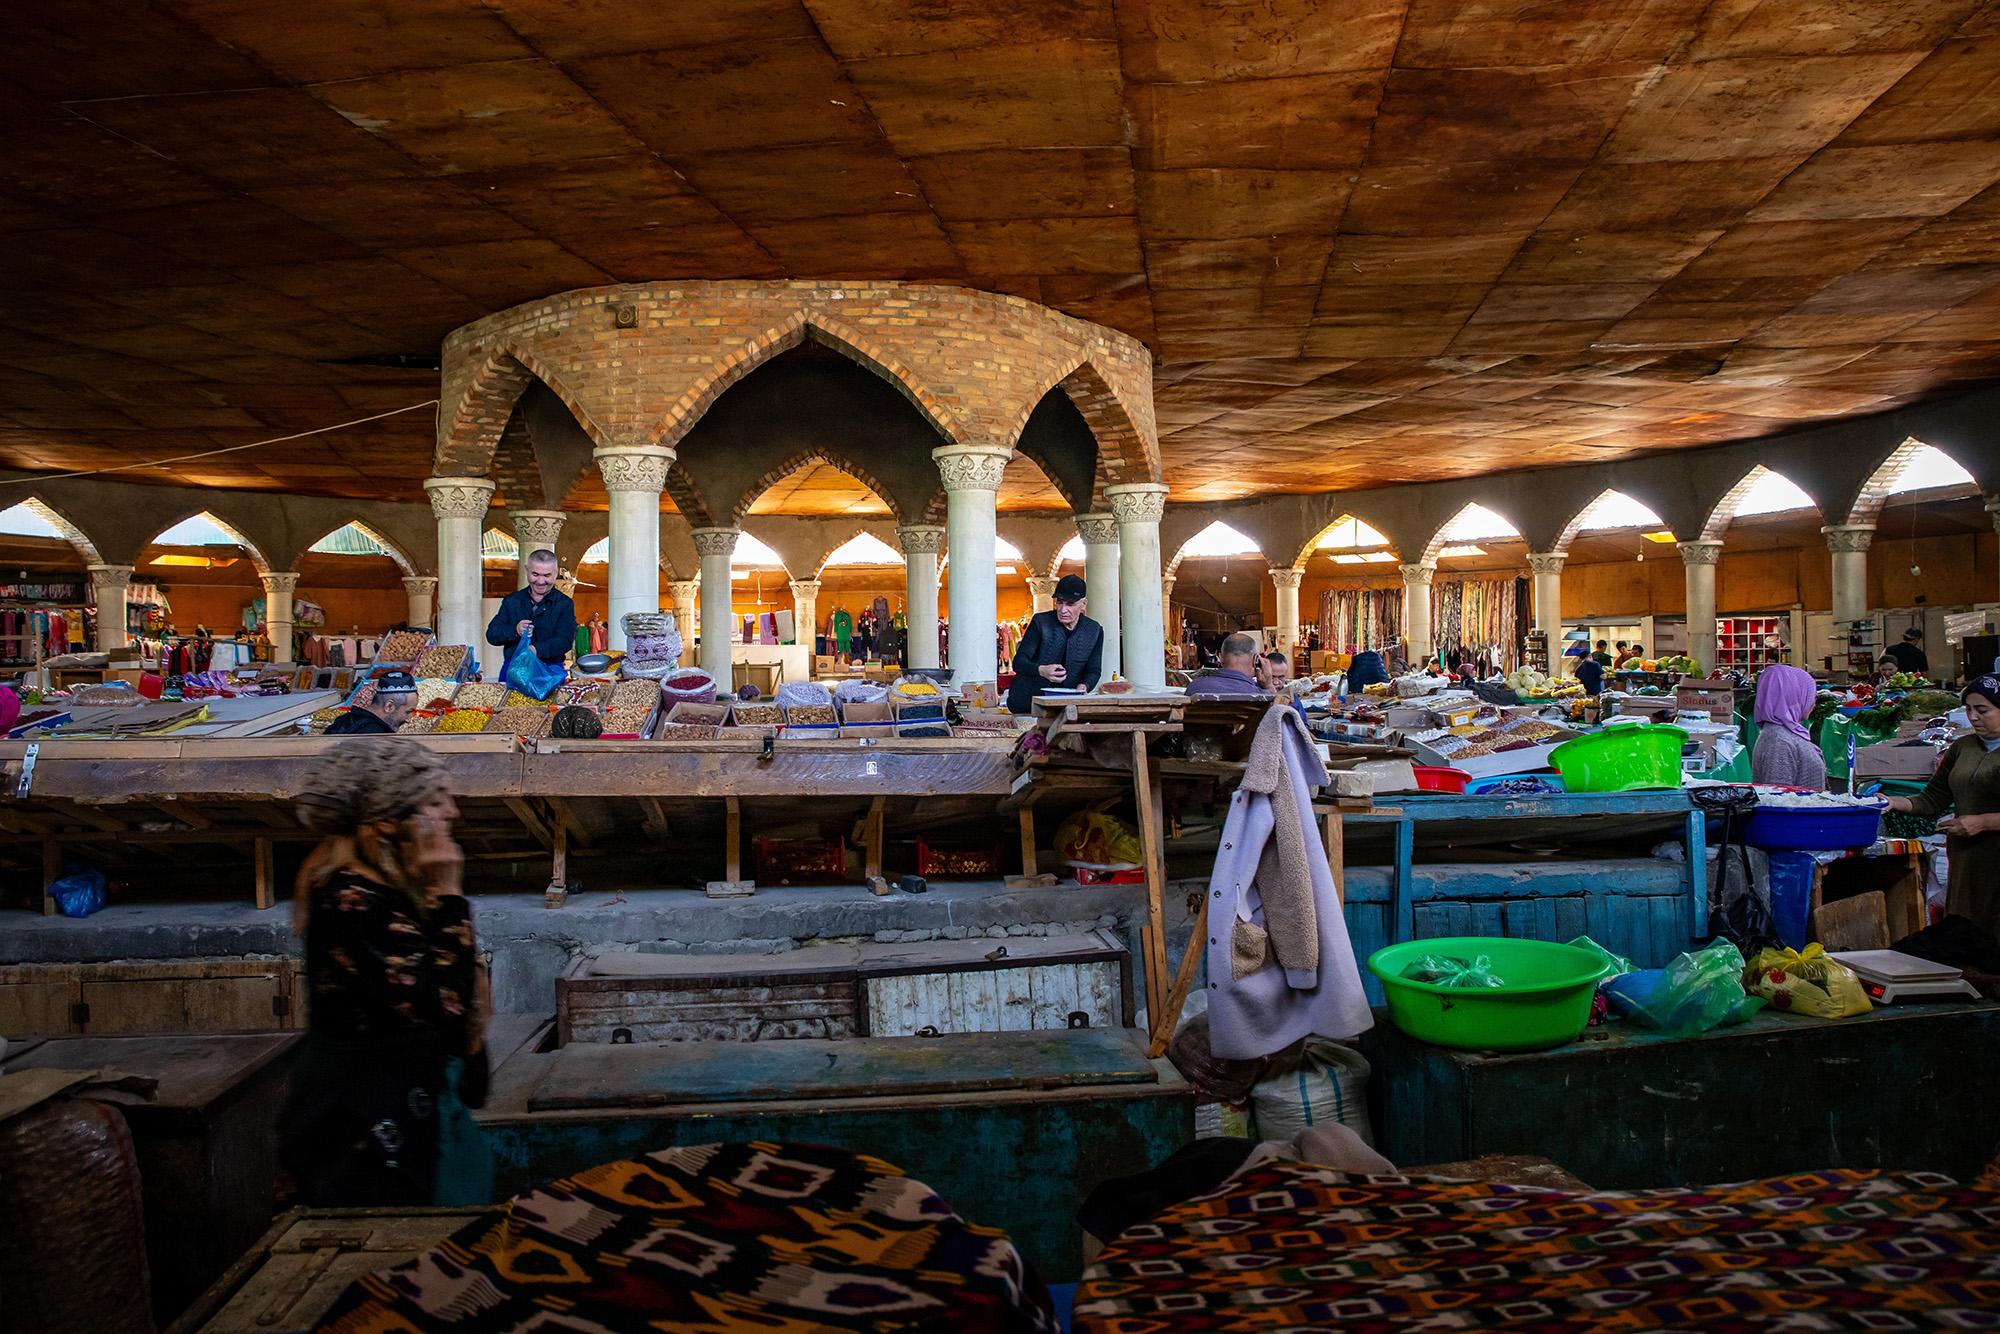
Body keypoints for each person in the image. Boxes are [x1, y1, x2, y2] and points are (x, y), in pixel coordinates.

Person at [280, 739, 490, 1207]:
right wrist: (448, 895)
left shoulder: (388, 887)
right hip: (365, 1139)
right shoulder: (351, 900)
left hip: (403, 1117)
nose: (452, 813)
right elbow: (447, 1009)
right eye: (435, 802)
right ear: (389, 820)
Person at [1886, 676, 2000, 937]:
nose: (1973, 717)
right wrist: (1893, 802)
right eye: (1969, 709)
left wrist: (1983, 822)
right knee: (1966, 934)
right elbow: (1932, 799)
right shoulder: (1963, 747)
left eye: (1982, 710)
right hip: (1967, 861)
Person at [1005, 573, 1104, 713]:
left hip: (1067, 707)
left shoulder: (1094, 630)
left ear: (1083, 604)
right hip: (1027, 704)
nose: (1063, 610)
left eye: (1070, 604)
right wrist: (1041, 670)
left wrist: (1085, 686)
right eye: (1059, 602)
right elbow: (1019, 662)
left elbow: (1094, 670)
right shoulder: (1040, 622)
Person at [485, 549, 575, 669]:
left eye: (547, 575)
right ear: (526, 570)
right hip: (514, 669)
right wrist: (515, 630)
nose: (541, 581)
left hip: (550, 672)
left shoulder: (564, 604)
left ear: (556, 573)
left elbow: (565, 641)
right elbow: (492, 635)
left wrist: (535, 650)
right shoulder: (512, 601)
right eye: (535, 574)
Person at [1750, 663, 1826, 789]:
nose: (1813, 702)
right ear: (1792, 696)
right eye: (1808, 695)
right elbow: (1778, 800)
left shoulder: (1785, 733)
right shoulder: (1778, 741)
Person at [325, 671, 418, 735]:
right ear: (389, 706)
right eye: (408, 712)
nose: (409, 719)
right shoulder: (376, 737)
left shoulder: (344, 720)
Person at [1190, 632, 1270, 696]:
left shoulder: (1195, 687)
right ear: (1256, 659)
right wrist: (1269, 685)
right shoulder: (1259, 694)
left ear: (1220, 658)